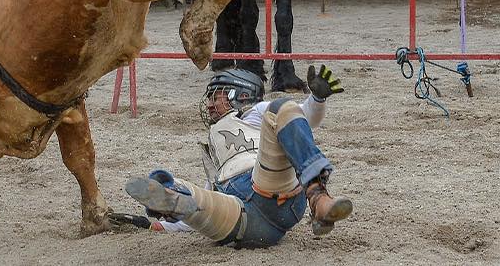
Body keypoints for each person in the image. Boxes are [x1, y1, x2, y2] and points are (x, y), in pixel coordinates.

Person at [115, 66, 353, 248]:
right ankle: (171, 197)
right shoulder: (211, 146)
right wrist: (155, 226)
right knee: (194, 195)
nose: (208, 104)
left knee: (283, 107)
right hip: (249, 224)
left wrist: (317, 100)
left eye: (215, 96)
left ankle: (317, 197)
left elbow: (304, 118)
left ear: (237, 94)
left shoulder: (254, 113)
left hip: (267, 185)